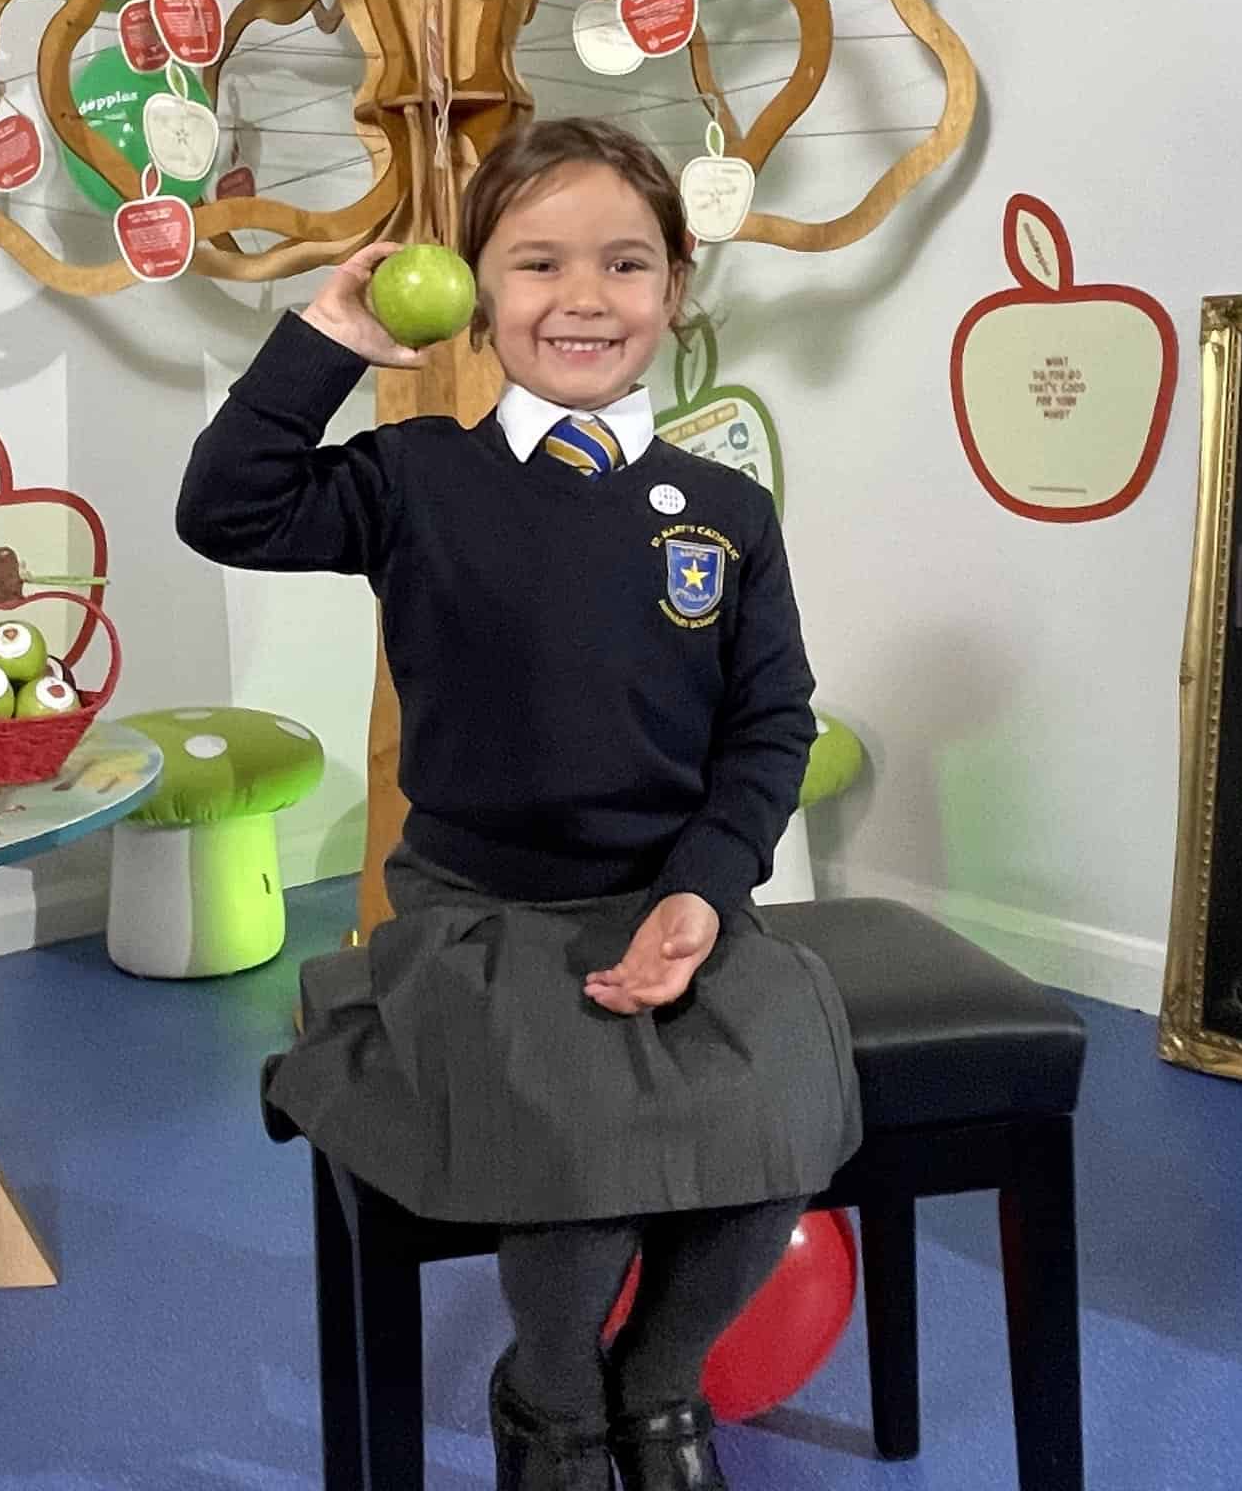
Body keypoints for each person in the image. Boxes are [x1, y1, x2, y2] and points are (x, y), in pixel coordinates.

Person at [177, 116, 861, 1491]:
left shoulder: (725, 509)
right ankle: (549, 1399)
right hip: (482, 914)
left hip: (671, 898)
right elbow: (228, 508)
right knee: (576, 1138)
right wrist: (328, 340)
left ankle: (656, 1389)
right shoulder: (415, 474)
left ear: (675, 288)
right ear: (479, 292)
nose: (584, 297)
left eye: (625, 263)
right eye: (537, 262)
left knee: (788, 1109)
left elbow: (768, 722)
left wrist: (702, 891)